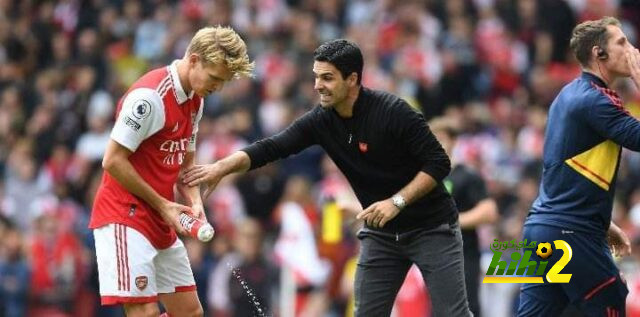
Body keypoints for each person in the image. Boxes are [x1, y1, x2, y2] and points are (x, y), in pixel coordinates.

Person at [184, 39, 471, 316]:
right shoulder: (321, 120)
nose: (318, 85)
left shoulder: (394, 112)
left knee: (452, 313)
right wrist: (220, 168)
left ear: (352, 79)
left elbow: (439, 162)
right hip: (382, 234)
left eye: (328, 78)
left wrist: (396, 202)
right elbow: (272, 147)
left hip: (432, 229)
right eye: (316, 76)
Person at [89, 26, 254, 316]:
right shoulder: (149, 98)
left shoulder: (195, 100)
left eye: (224, 82)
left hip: (161, 216)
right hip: (124, 215)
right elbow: (112, 161)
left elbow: (184, 166)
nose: (218, 87)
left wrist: (195, 203)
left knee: (190, 313)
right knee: (146, 313)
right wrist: (164, 205)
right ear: (193, 60)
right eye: (215, 77)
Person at [517, 16, 639, 317]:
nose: (632, 49)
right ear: (599, 53)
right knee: (612, 292)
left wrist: (603, 222)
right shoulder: (594, 101)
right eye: (622, 42)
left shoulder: (568, 95)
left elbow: (560, 168)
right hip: (570, 232)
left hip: (538, 228)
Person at [430, 118, 499, 317]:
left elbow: (489, 211)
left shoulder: (466, 176)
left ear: (454, 141)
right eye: (432, 139)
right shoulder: (427, 179)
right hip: (432, 256)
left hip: (463, 255)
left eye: (441, 138)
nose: (437, 143)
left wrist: (451, 223)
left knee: (465, 308)